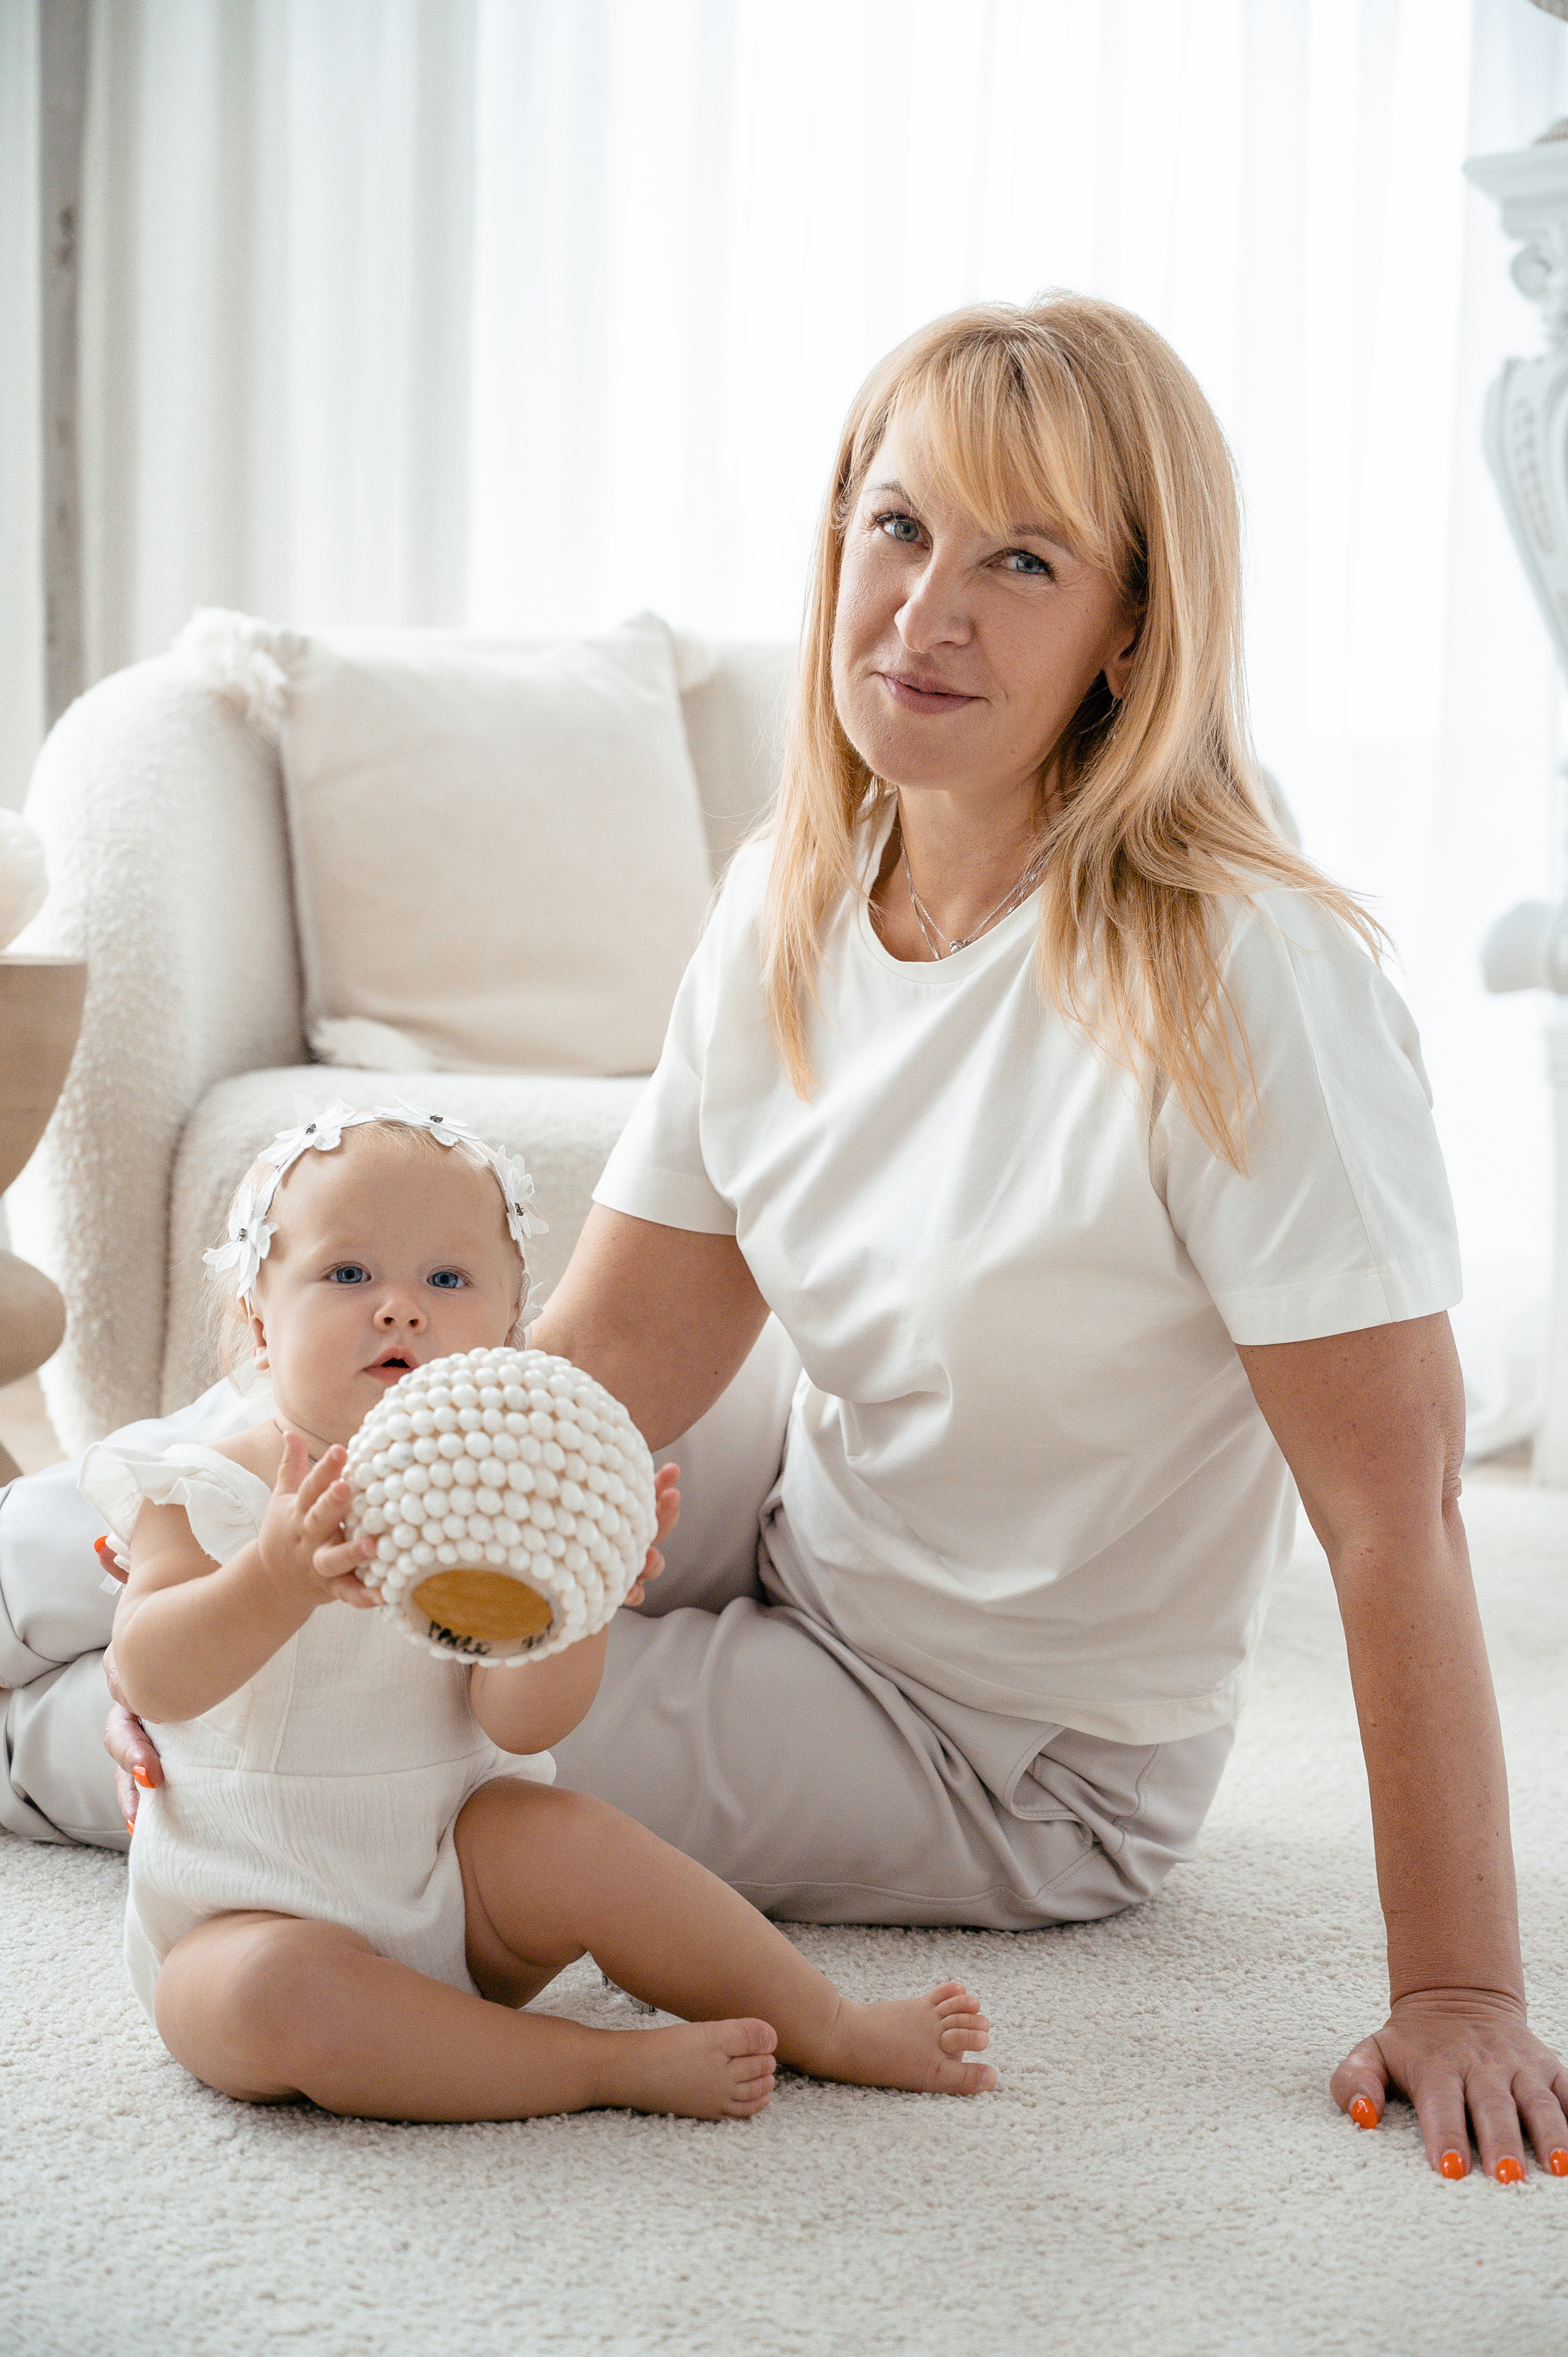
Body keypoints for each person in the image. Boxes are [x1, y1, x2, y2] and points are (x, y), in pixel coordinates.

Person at [81, 290, 1568, 2182]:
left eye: (1022, 560)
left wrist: (1462, 1990)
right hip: (802, 1508)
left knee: (352, 1761)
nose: (927, 609)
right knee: (183, 1502)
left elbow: (1400, 1508)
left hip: (999, 1741)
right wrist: (306, 1520)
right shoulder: (798, 886)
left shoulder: (1244, 977)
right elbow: (609, 1371)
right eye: (898, 525)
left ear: (1133, 628)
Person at [85, 1103, 994, 2121]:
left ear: (510, 1332)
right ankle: (594, 2066)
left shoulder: (506, 1493)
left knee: (571, 1836)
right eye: (348, 1275)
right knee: (274, 1998)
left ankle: (826, 2024)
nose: (400, 1310)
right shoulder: (201, 1483)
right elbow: (151, 1674)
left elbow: (524, 1723)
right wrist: (274, 1579)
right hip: (245, 1916)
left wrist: (584, 1595)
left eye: (447, 1280)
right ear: (259, 1317)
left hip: (457, 1889)